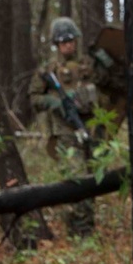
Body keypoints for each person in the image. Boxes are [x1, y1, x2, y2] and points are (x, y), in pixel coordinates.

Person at [31, 17, 101, 238]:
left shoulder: (87, 64)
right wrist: (55, 103)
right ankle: (78, 230)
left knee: (91, 178)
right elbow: (33, 98)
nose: (69, 45)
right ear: (57, 44)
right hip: (65, 133)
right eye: (64, 42)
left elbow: (104, 88)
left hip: (89, 128)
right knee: (76, 178)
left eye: (71, 40)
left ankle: (86, 227)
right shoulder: (49, 70)